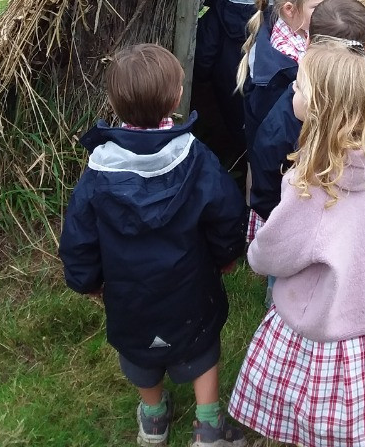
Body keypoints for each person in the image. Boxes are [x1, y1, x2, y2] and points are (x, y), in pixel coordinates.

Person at [228, 41, 365, 447]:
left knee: (318, 403)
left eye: (300, 88)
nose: (292, 92)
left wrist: (255, 253)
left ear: (321, 108)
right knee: (362, 403)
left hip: (323, 319)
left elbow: (274, 253)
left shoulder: (311, 185)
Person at [58, 44, 250, 447]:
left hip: (129, 296)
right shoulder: (195, 158)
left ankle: (154, 419)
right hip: (190, 287)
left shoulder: (98, 171)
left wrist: (86, 281)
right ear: (177, 97)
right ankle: (209, 427)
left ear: (112, 102)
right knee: (200, 345)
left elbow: (79, 235)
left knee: (139, 353)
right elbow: (227, 213)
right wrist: (227, 256)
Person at [250, 0, 365, 225]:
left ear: (308, 42)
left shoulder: (288, 111)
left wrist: (278, 219)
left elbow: (266, 170)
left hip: (301, 233)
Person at [194, 0, 281, 161]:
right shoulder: (280, 11)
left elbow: (205, 49)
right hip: (266, 82)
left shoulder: (219, 6)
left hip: (227, 82)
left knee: (234, 124)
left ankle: (238, 158)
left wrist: (202, 78)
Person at [236, 0, 333, 152]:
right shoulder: (282, 67)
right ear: (290, 9)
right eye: (317, 7)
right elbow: (275, 134)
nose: (328, 12)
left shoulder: (304, 31)